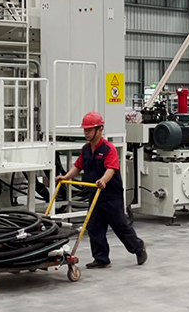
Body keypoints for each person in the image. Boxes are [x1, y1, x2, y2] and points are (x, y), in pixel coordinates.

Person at [56, 112, 148, 269]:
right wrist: (65, 177)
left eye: (89, 130)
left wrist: (103, 180)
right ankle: (101, 259)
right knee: (94, 227)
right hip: (95, 193)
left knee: (120, 226)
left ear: (100, 129)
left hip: (111, 195)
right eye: (85, 130)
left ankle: (139, 249)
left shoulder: (108, 149)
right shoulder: (86, 149)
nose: (86, 133)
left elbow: (111, 168)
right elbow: (78, 166)